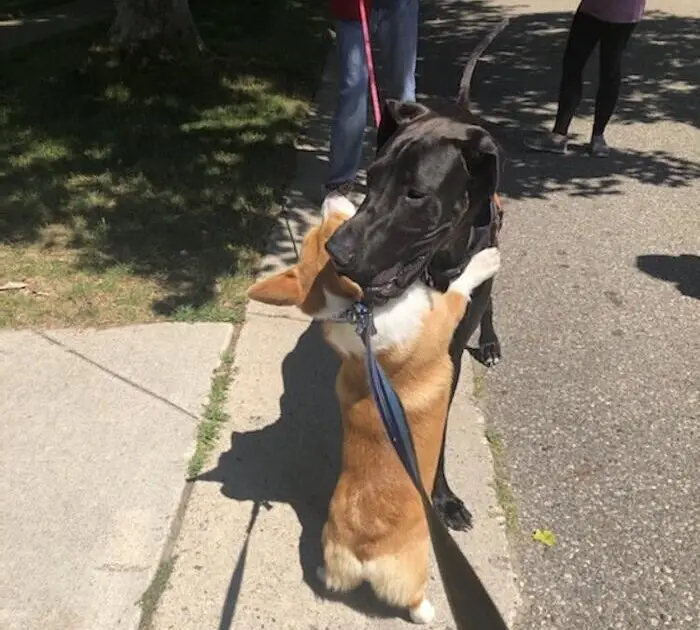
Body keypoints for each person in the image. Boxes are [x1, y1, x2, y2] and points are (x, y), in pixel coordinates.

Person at [524, 0, 646, 157]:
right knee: (598, 68)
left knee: (588, 67)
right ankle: (591, 137)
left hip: (613, 12)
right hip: (610, 10)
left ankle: (569, 135)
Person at [326, 0, 419, 195]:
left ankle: (401, 174)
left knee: (403, 92)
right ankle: (340, 181)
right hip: (351, 7)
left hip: (399, 5)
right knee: (353, 88)